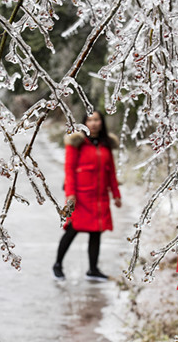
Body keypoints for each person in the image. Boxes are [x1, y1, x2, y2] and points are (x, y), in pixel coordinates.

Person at [53, 110, 122, 282]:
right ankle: (57, 265)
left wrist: (116, 194)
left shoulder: (106, 144)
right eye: (89, 120)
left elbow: (111, 172)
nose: (93, 123)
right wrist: (70, 194)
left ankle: (93, 269)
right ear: (84, 123)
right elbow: (69, 170)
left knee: (96, 233)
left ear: (102, 122)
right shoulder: (76, 143)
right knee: (71, 230)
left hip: (99, 197)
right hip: (79, 197)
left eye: (96, 120)